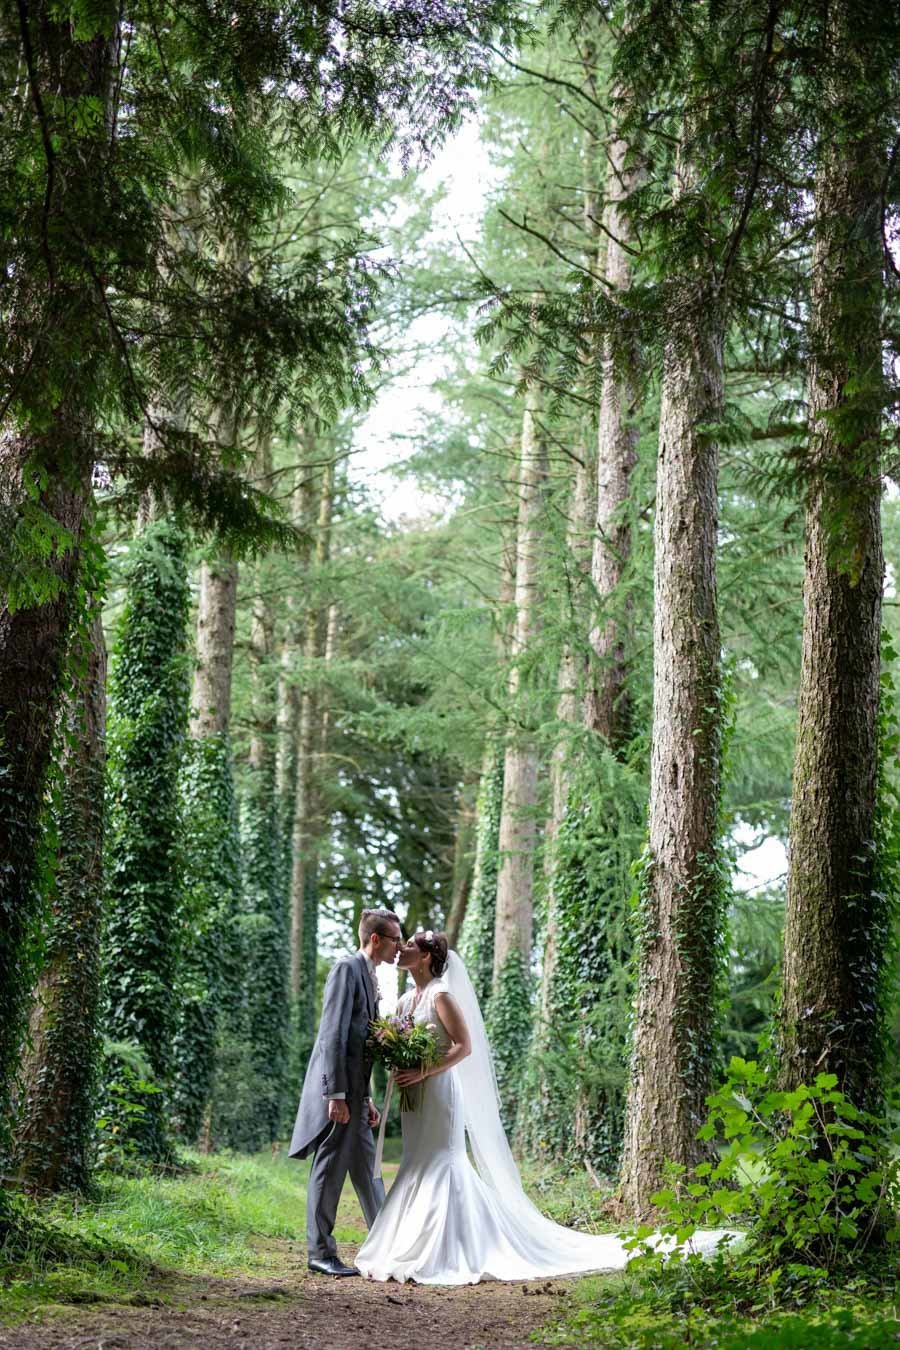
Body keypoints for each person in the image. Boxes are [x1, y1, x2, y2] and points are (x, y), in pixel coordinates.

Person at [356, 931, 736, 1285]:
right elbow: (395, 1037)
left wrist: (424, 1070)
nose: (401, 949)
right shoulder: (407, 999)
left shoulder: (442, 995)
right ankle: (404, 1240)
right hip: (412, 1094)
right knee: (415, 1159)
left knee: (442, 1159)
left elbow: (463, 1047)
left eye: (408, 946)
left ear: (425, 957)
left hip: (439, 1091)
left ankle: (452, 1244)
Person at [289, 907, 403, 1277]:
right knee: (330, 1167)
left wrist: (365, 1097)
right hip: (338, 1096)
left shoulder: (369, 977)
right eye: (394, 939)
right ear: (375, 939)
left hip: (356, 1095)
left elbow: (360, 1045)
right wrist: (334, 1095)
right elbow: (333, 1035)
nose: (399, 946)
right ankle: (320, 1252)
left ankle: (387, 1247)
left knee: (369, 1172)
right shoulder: (346, 970)